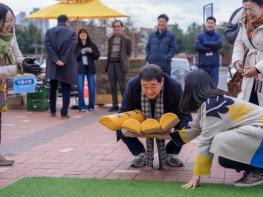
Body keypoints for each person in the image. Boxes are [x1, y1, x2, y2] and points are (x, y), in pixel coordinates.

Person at [169, 69, 263, 188]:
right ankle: (258, 170)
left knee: (219, 143)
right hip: (258, 133)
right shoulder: (212, 102)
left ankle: (259, 171)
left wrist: (196, 175)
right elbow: (196, 127)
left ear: (191, 88)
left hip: (259, 134)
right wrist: (169, 136)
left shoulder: (213, 106)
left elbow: (205, 141)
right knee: (223, 153)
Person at [118, 64, 192, 168]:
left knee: (188, 127)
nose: (149, 91)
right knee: (118, 124)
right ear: (140, 82)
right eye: (145, 86)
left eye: (153, 86)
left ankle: (171, 152)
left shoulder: (174, 86)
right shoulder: (132, 85)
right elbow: (123, 112)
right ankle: (139, 153)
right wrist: (128, 127)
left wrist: (176, 129)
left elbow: (185, 114)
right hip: (142, 117)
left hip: (167, 119)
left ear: (161, 82)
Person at [0, 3, 42, 166]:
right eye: (6, 20)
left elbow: (17, 55)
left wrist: (26, 62)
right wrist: (19, 68)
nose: (10, 24)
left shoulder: (10, 35)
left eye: (12, 19)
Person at [45, 15, 77, 119]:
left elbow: (48, 46)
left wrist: (55, 59)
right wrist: (63, 60)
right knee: (66, 89)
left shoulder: (49, 31)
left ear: (57, 21)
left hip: (53, 65)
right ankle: (64, 113)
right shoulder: (72, 33)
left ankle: (52, 111)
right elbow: (70, 49)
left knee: (53, 89)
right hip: (66, 65)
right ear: (67, 21)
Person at [232, 0, 263, 106]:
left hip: (258, 67)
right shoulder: (245, 23)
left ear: (262, 7)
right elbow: (239, 43)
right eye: (245, 9)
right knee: (248, 105)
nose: (248, 13)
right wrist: (237, 60)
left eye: (251, 9)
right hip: (249, 68)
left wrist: (258, 69)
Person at [106, 20, 132, 112]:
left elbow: (129, 52)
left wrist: (123, 60)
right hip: (111, 64)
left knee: (123, 86)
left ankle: (125, 105)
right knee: (112, 86)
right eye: (115, 27)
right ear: (113, 28)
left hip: (121, 65)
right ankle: (115, 105)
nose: (116, 28)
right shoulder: (110, 39)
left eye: (118, 26)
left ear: (121, 28)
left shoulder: (127, 39)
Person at [75, 29, 100, 112]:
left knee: (92, 88)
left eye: (84, 33)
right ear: (79, 36)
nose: (83, 35)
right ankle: (82, 106)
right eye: (81, 34)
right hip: (80, 69)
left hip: (90, 69)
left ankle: (91, 105)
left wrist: (91, 51)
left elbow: (97, 56)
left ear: (87, 35)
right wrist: (80, 53)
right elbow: (74, 58)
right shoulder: (76, 46)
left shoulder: (92, 45)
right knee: (80, 88)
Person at [195, 16, 223, 87]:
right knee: (201, 87)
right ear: (205, 24)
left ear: (215, 25)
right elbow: (197, 46)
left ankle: (212, 98)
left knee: (213, 87)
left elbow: (219, 44)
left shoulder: (218, 36)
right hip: (202, 66)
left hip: (214, 67)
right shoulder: (200, 36)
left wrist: (205, 43)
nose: (210, 25)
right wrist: (212, 48)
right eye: (208, 23)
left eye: (212, 23)